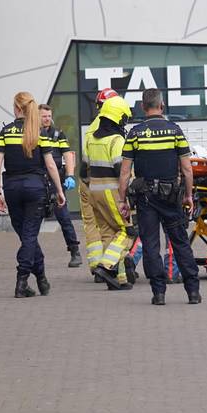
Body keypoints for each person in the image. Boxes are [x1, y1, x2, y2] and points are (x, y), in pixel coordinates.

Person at [118, 89, 201, 305]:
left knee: (151, 244)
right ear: (161, 106)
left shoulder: (135, 133)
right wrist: (189, 195)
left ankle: (159, 293)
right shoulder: (175, 130)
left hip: (146, 199)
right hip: (171, 196)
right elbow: (187, 168)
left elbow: (125, 172)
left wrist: (122, 200)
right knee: (180, 242)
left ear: (144, 108)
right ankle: (193, 292)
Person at [0, 92, 67, 298]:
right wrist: (59, 190)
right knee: (30, 236)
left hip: (12, 189)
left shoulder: (6, 131)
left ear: (16, 108)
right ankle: (24, 279)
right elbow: (51, 164)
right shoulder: (39, 132)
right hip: (35, 189)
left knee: (27, 236)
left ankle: (40, 279)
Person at [85, 95, 137, 290]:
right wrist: (128, 194)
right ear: (117, 117)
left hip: (94, 191)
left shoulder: (91, 138)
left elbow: (84, 169)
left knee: (108, 232)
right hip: (112, 191)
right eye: (124, 118)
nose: (125, 122)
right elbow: (120, 171)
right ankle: (106, 267)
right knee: (127, 231)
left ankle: (119, 278)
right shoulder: (116, 140)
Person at [78, 88, 119, 281]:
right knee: (111, 226)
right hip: (103, 183)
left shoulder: (92, 127)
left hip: (88, 182)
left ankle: (97, 265)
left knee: (92, 224)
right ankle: (107, 265)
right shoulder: (110, 127)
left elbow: (84, 161)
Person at [39, 104, 82, 267]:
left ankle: (75, 252)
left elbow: (68, 155)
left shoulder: (58, 134)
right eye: (44, 116)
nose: (47, 119)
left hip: (55, 182)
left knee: (64, 217)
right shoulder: (32, 133)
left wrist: (70, 176)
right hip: (39, 181)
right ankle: (32, 252)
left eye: (49, 116)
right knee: (34, 220)